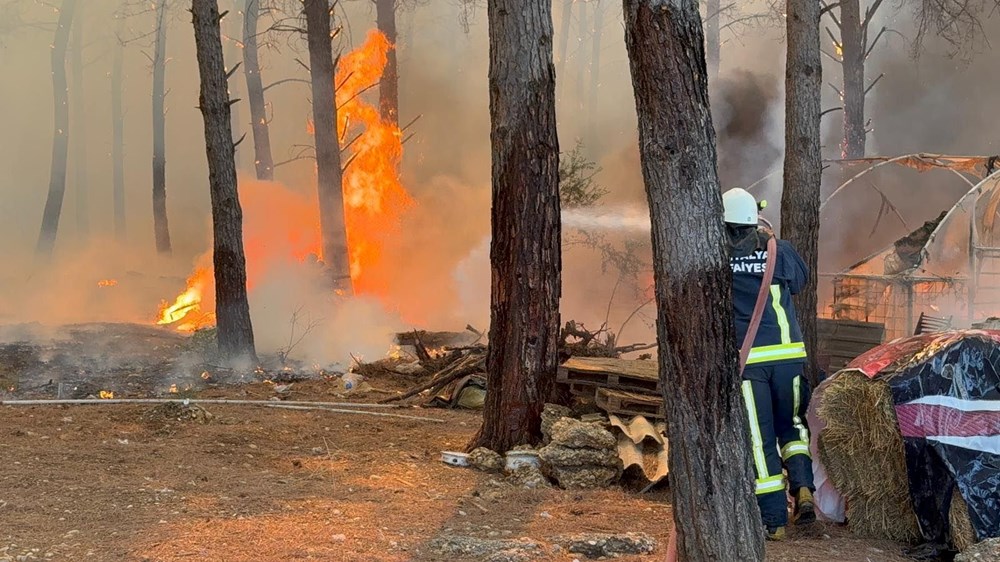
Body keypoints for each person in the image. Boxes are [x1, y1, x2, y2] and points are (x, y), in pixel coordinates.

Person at [722, 187, 816, 541]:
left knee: (760, 441)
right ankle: (803, 487)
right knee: (792, 424)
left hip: (750, 364)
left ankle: (774, 520)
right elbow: (800, 283)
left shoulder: (718, 256)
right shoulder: (781, 250)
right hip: (788, 356)